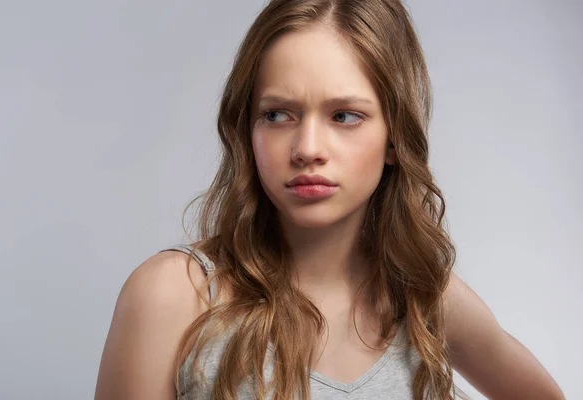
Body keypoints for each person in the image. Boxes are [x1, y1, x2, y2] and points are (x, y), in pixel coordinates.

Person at [94, 0, 565, 399]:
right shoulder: (175, 296)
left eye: (344, 115)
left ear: (395, 137)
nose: (307, 149)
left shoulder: (424, 298)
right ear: (247, 129)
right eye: (277, 114)